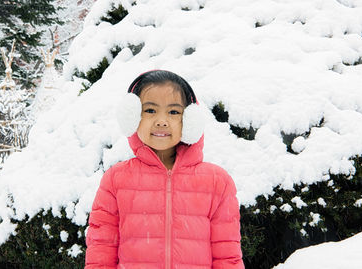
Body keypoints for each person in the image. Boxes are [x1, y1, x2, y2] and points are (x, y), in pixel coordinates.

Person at [85, 70, 244, 269]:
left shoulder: (217, 182)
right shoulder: (116, 180)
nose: (161, 121)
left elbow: (228, 257)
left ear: (190, 120)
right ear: (133, 116)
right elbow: (101, 251)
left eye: (174, 112)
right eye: (150, 110)